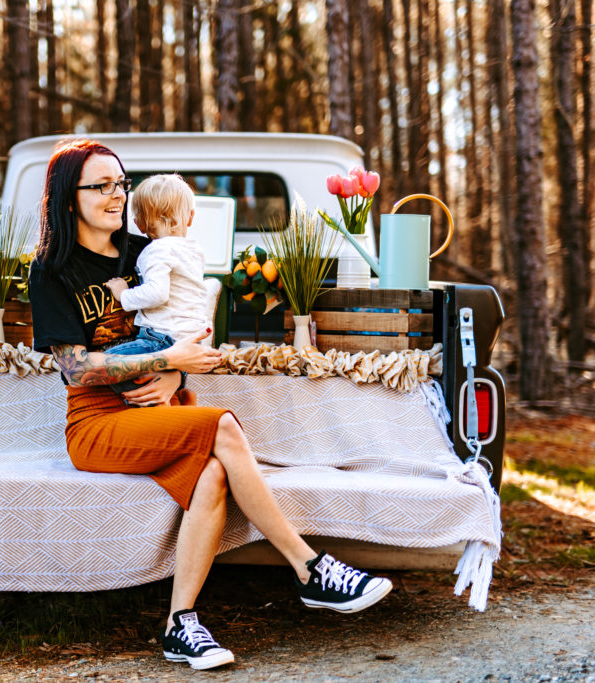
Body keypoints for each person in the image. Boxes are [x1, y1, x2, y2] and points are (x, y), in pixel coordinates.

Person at [28, 139, 392, 672]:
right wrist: (167, 357)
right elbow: (76, 369)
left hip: (163, 408)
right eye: (100, 186)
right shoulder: (52, 270)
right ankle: (310, 569)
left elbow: (194, 327)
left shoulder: (144, 250)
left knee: (215, 476)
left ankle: (181, 624)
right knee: (222, 427)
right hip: (98, 424)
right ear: (67, 198)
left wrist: (174, 367)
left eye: (120, 184)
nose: (116, 196)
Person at [101, 173, 207, 405]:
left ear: (139, 224)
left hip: (162, 338)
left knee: (106, 364)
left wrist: (122, 294)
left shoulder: (156, 250)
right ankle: (174, 392)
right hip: (190, 338)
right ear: (190, 217)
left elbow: (157, 293)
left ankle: (158, 401)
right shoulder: (194, 251)